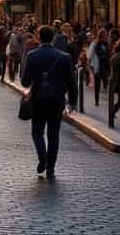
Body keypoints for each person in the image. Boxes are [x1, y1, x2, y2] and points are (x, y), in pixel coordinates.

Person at [21, 25, 77, 179]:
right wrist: (73, 102)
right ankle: (51, 167)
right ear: (53, 38)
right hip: (57, 100)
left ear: (39, 37)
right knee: (54, 134)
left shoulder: (32, 56)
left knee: (37, 132)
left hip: (38, 100)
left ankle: (42, 157)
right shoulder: (64, 57)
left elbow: (25, 82)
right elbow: (72, 82)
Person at [88, 29, 111, 107]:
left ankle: (106, 100)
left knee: (105, 82)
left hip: (104, 65)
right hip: (98, 65)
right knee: (97, 84)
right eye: (104, 35)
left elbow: (108, 54)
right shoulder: (95, 43)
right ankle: (97, 100)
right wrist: (89, 64)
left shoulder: (106, 44)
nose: (105, 36)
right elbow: (90, 55)